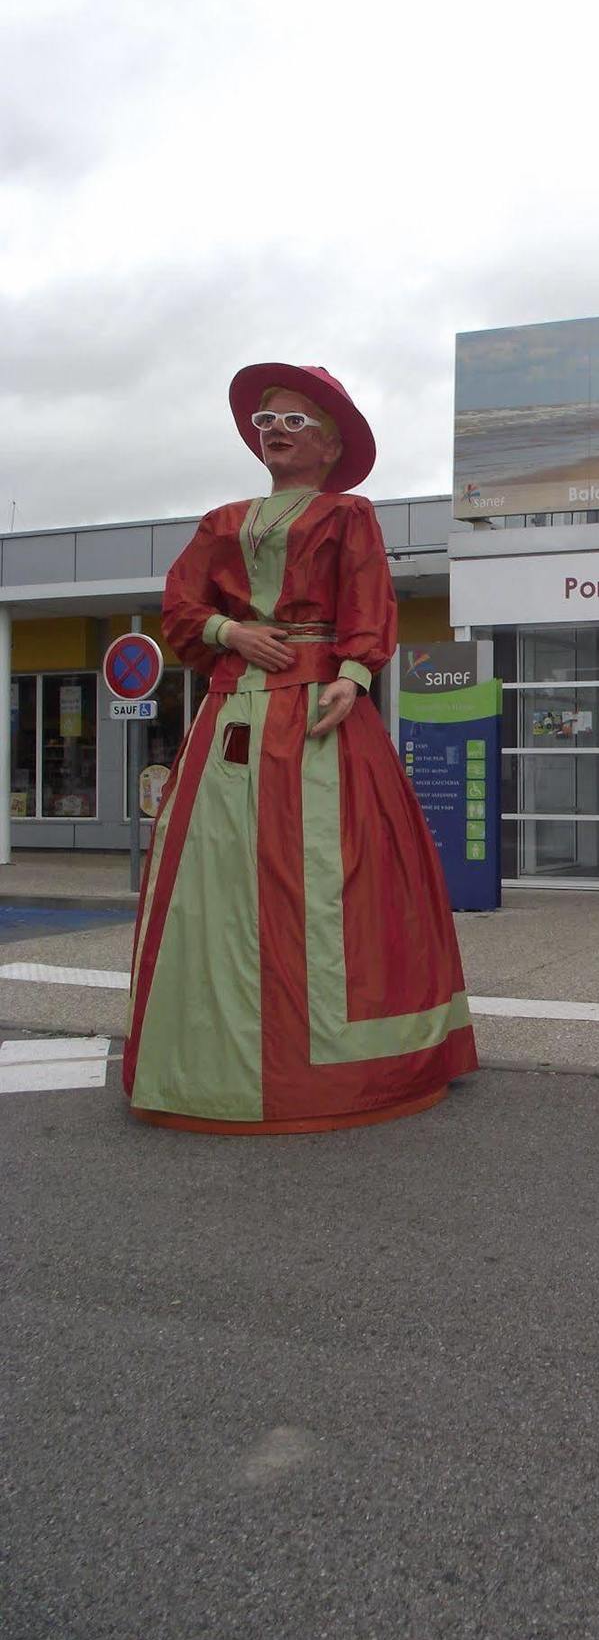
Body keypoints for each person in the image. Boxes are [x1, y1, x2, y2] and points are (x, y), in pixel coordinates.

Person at [122, 364, 477, 1132]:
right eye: (264, 421)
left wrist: (353, 675)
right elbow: (182, 603)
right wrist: (230, 630)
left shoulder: (349, 514)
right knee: (218, 874)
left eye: (293, 420)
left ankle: (340, 1065)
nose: (275, 429)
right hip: (233, 714)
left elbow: (368, 598)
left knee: (333, 876)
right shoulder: (221, 522)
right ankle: (211, 1058)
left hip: (319, 714)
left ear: (330, 444)